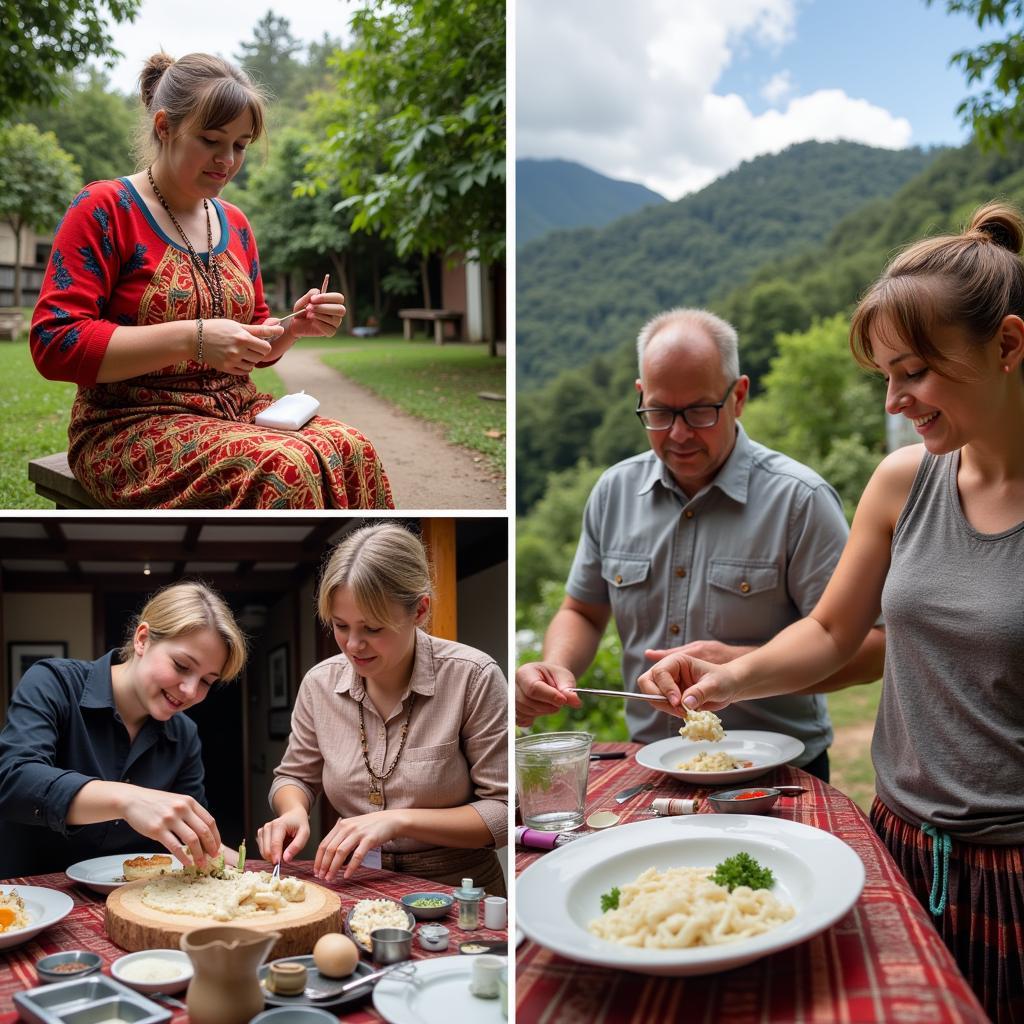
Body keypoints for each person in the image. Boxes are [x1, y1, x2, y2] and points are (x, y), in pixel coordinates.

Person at [638, 204, 1024, 1022]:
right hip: (899, 846)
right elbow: (827, 631)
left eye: (914, 370)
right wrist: (726, 680)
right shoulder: (902, 482)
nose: (896, 398)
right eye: (885, 373)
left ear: (1010, 345)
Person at [515, 308, 885, 781]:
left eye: (699, 411)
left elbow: (872, 648)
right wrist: (554, 667)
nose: (680, 433)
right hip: (649, 764)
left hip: (779, 772)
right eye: (661, 412)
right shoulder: (613, 492)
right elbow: (582, 611)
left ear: (739, 397)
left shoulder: (800, 500)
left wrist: (739, 667)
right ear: (640, 395)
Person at [29, 52, 393, 510]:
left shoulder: (235, 223)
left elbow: (256, 338)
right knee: (287, 468)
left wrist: (293, 327)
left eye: (241, 145)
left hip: (236, 410)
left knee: (354, 448)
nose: (227, 160)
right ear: (164, 127)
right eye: (211, 140)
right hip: (128, 424)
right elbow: (55, 342)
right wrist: (192, 338)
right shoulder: (104, 208)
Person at [257, 524, 508, 894]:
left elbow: (502, 812)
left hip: (457, 883)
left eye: (373, 628)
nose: (353, 645)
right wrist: (293, 811)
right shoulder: (319, 684)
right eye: (340, 626)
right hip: (352, 878)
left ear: (419, 610)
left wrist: (399, 821)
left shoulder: (472, 676)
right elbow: (294, 777)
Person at [0, 582, 246, 878]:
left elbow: (192, 835)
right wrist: (128, 800)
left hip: (132, 900)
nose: (190, 691)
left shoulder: (184, 734)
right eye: (181, 665)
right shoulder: (54, 682)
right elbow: (14, 781)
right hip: (30, 898)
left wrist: (263, 872)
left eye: (207, 681)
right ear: (142, 639)